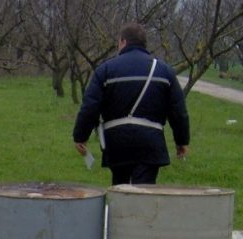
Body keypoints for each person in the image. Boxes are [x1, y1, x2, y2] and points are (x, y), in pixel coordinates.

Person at [73, 23, 190, 185]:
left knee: (120, 189)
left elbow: (90, 107)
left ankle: (121, 209)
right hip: (150, 143)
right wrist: (181, 141)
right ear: (144, 43)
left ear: (123, 42)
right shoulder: (164, 71)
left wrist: (80, 137)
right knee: (144, 193)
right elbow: (178, 111)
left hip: (117, 142)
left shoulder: (105, 70)